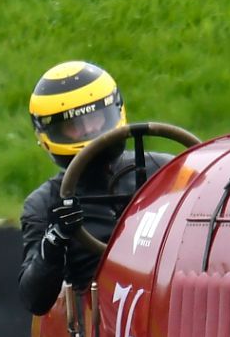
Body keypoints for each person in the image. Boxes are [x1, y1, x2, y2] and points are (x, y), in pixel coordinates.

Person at [17, 61, 164, 315]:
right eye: (74, 127)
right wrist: (55, 239)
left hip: (166, 301)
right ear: (50, 134)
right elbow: (34, 300)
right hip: (98, 327)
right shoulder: (43, 203)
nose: (88, 132)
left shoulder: (163, 169)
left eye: (94, 119)